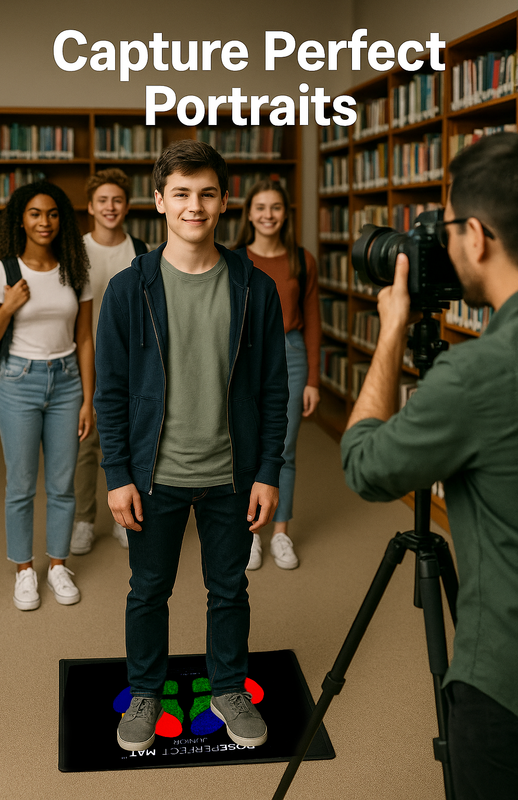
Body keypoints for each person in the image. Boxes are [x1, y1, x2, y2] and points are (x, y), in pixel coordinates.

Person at [93, 139, 288, 752]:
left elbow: (274, 389)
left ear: (225, 201)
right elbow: (111, 392)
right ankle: (145, 690)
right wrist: (117, 474)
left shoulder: (255, 288)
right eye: (180, 193)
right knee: (148, 590)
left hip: (232, 473)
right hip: (155, 474)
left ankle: (228, 686)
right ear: (159, 201)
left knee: (229, 589)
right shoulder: (129, 289)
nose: (194, 206)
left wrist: (269, 471)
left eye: (207, 193)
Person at [341, 132, 518, 799]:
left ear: (476, 236)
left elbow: (365, 465)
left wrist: (391, 329)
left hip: (503, 680)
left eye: (445, 229)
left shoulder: (477, 374)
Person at [0, 180, 94, 610]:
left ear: (61, 219)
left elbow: (84, 338)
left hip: (67, 382)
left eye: (52, 213)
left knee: (63, 484)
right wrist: (9, 307)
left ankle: (58, 565)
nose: (44, 221)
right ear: (20, 220)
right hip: (18, 383)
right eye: (34, 213)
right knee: (21, 486)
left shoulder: (75, 268)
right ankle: (24, 570)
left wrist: (88, 398)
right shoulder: (2, 271)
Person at [234, 179, 320, 571]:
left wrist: (314, 379)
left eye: (276, 207)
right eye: (261, 207)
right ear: (249, 214)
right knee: (245, 445)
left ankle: (281, 531)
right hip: (245, 354)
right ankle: (252, 530)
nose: (268, 215)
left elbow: (313, 321)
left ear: (285, 214)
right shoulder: (234, 259)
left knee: (283, 448)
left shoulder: (302, 260)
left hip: (291, 352)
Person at [70, 168, 147, 556]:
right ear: (90, 207)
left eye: (117, 200)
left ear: (127, 206)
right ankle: (84, 520)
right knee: (87, 442)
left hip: (132, 359)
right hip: (84, 356)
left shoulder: (141, 250)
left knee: (131, 439)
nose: (110, 207)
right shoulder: (76, 250)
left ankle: (124, 517)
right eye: (102, 200)